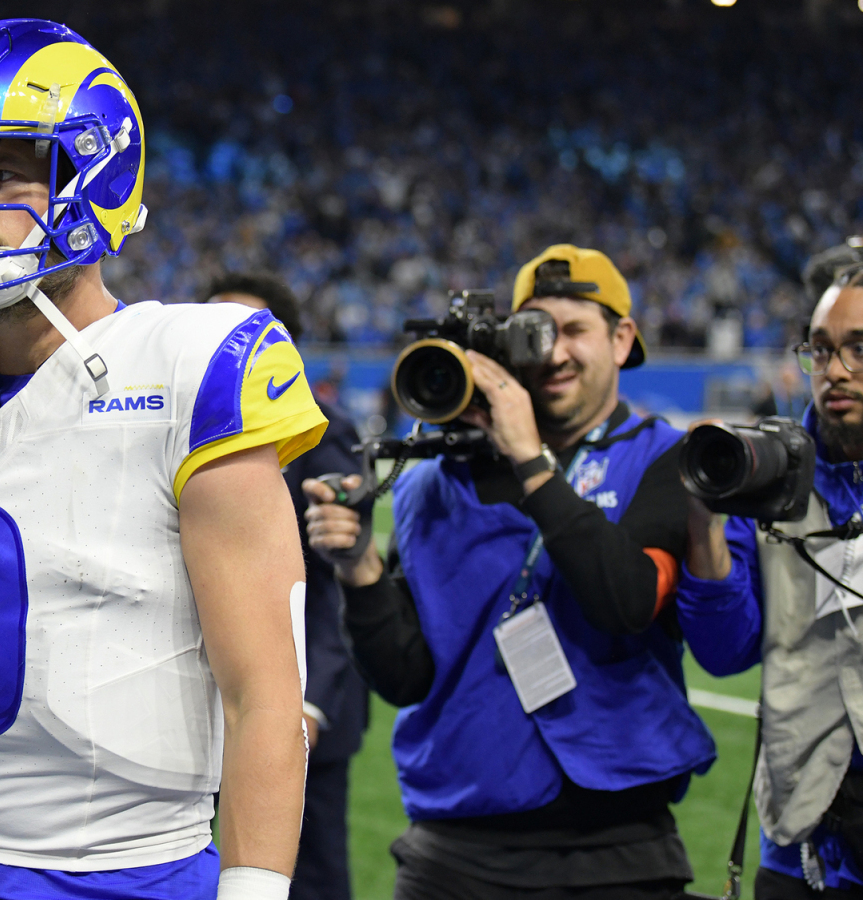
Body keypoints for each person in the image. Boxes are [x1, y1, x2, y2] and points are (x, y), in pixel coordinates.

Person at [0, 19, 326, 900]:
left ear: (97, 176)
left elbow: (266, 702)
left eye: (2, 173)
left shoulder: (192, 369)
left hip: (132, 876)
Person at [305, 244, 763, 899]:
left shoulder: (669, 461)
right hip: (454, 849)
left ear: (622, 338)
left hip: (617, 849)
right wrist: (360, 571)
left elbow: (624, 602)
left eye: (575, 330)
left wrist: (529, 459)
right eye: (535, 332)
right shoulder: (433, 482)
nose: (553, 353)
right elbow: (405, 676)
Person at [204, 272, 368, 900]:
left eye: (245, 330)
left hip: (303, 705)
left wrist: (311, 702)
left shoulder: (321, 432)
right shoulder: (176, 431)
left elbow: (339, 582)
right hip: (207, 702)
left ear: (285, 349)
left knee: (313, 876)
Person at [751, 250, 863, 898]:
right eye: (821, 349)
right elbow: (724, 650)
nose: (836, 370)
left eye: (859, 348)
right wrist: (707, 529)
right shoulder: (778, 483)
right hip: (800, 849)